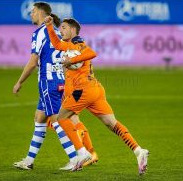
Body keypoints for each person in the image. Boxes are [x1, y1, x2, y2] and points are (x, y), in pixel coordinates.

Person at [44, 16, 149, 174]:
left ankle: (82, 152)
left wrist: (70, 62)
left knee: (62, 118)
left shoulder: (78, 44)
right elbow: (56, 43)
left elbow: (92, 53)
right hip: (95, 89)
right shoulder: (70, 45)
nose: (61, 30)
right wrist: (49, 26)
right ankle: (138, 150)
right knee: (111, 123)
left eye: (64, 27)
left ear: (73, 29)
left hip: (83, 90)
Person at [12, 2, 97, 171]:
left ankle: (76, 157)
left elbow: (33, 62)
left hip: (48, 82)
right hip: (60, 80)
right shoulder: (58, 32)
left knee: (57, 121)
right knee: (39, 117)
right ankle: (29, 160)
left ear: (41, 13)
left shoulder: (39, 33)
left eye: (33, 12)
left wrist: (20, 81)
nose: (31, 14)